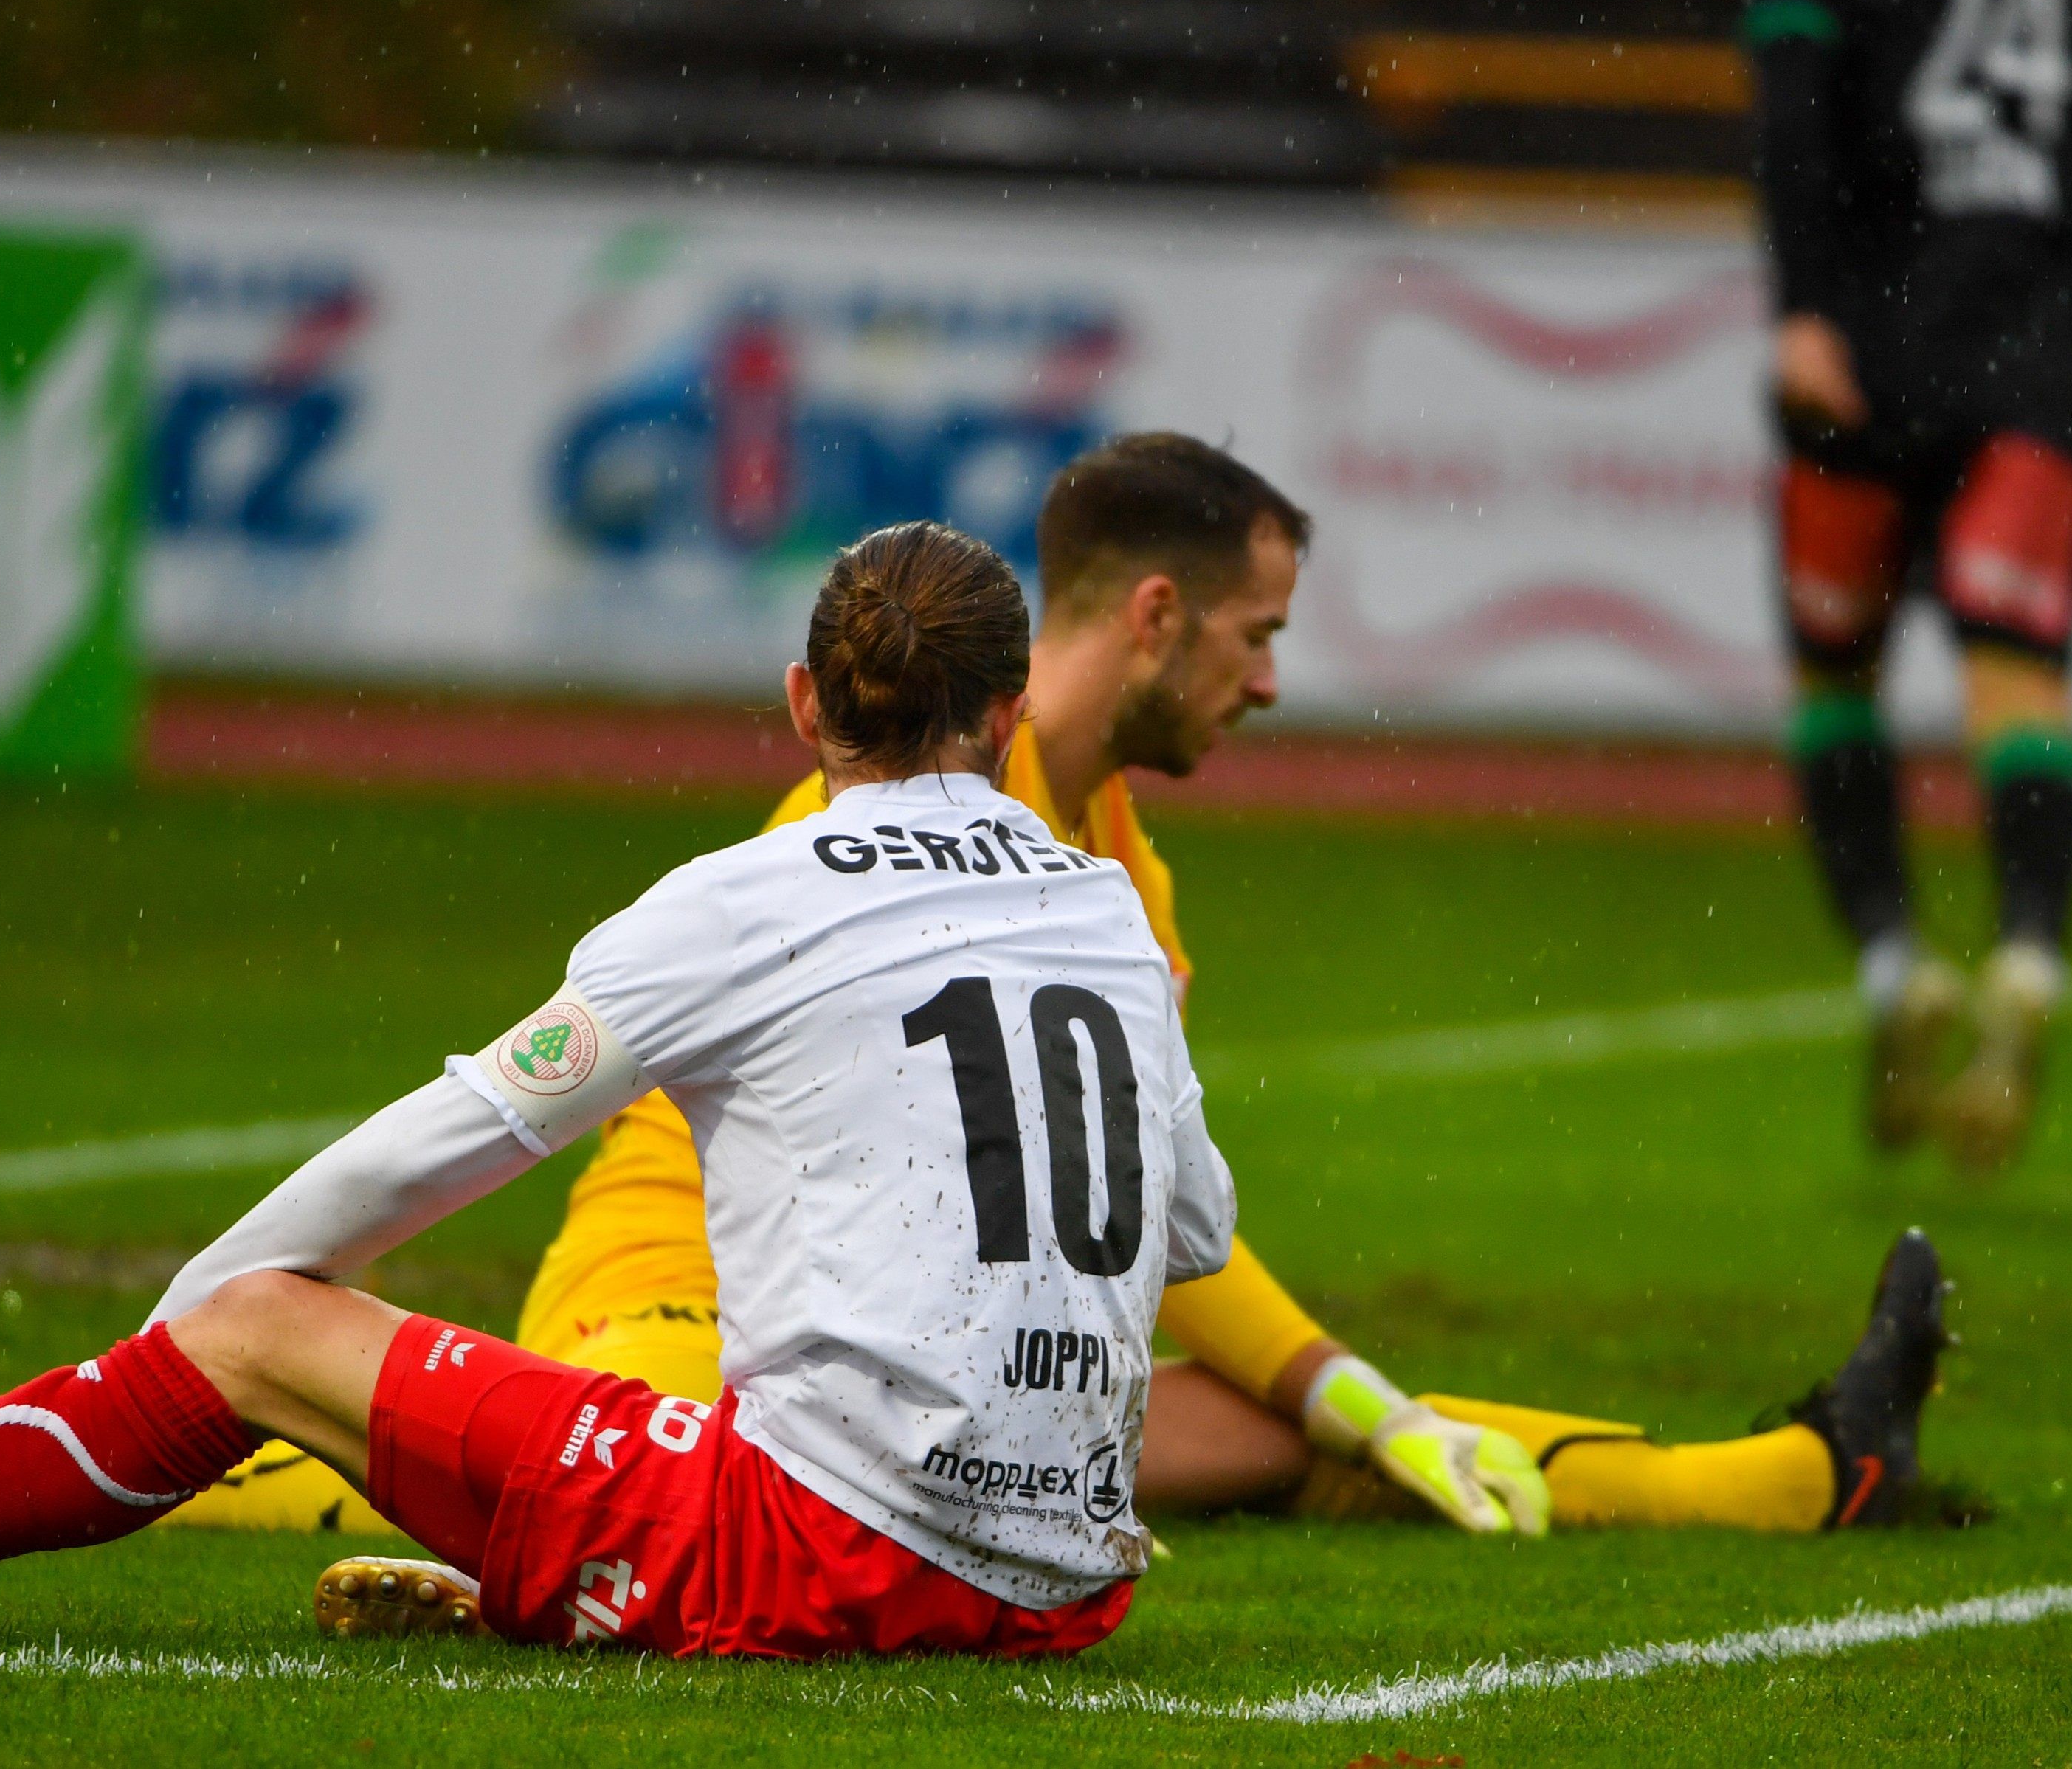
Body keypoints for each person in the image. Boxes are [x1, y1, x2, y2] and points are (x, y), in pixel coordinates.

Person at [179, 435, 1950, 1550]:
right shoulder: (879, 828)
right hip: (690, 1307)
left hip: (913, 1329)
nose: (1272, 682)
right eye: (1261, 635)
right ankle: (199, 1456)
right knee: (655, 1461)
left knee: (1290, 1430)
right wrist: (1351, 1387)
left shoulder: (1111, 856)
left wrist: (1339, 1395)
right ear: (1161, 615)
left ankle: (1797, 1476)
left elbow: (1095, 1209)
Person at [0, 523, 1243, 1655]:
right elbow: (1188, 1229)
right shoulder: (1100, 904)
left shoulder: (745, 896)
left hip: (827, 1558)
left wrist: (196, 1332)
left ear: (804, 700)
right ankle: (545, 1577)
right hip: (1072, 1587)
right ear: (1014, 711)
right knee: (658, 1417)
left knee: (267, 1328)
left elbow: (454, 1137)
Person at [1748, 0, 2072, 1168]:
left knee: (1835, 673)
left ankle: (1892, 963)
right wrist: (2032, 234)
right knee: (2017, 678)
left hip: (1857, 351)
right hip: (2031, 359)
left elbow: (1793, 138)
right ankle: (2028, 961)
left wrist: (1807, 310)